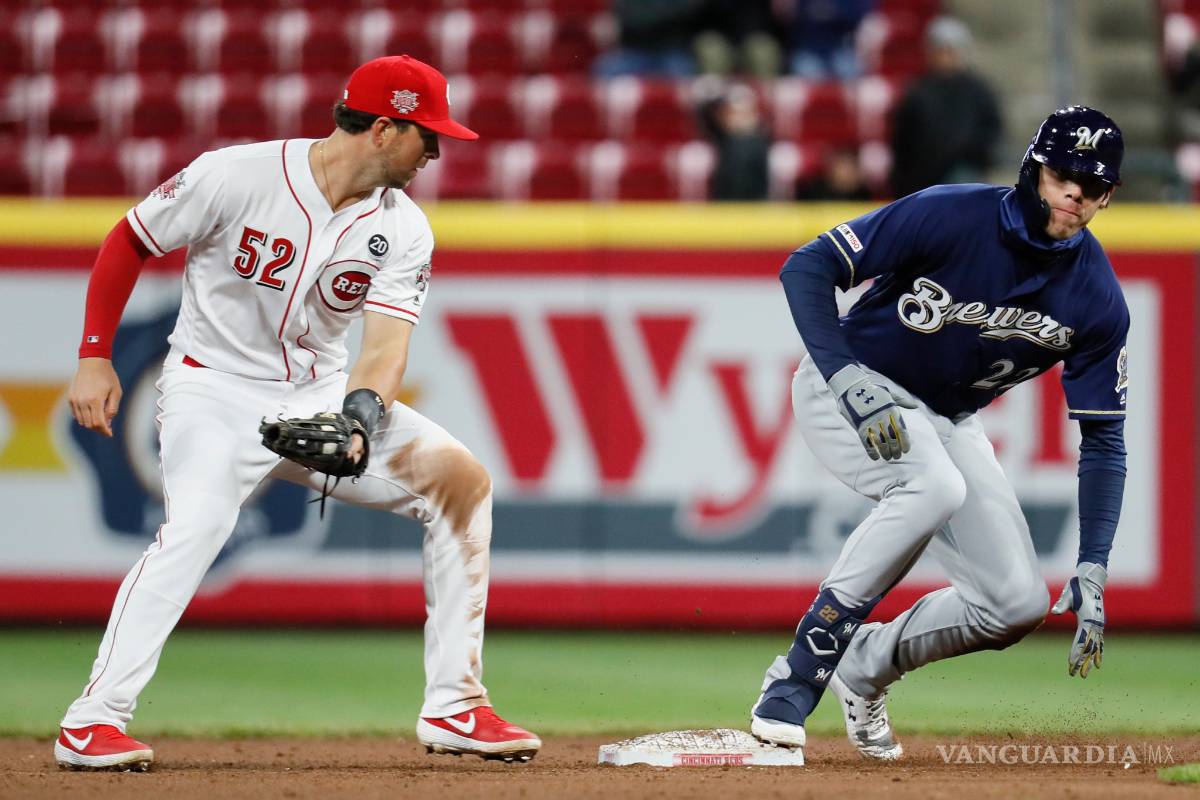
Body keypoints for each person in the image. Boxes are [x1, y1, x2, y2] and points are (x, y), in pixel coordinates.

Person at [54, 55, 541, 771]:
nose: (436, 151)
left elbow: (383, 351)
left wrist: (358, 421)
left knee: (462, 486)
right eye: (425, 135)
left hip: (318, 402)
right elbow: (130, 239)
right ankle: (92, 720)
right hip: (212, 391)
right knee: (198, 526)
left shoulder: (403, 229)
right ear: (382, 129)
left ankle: (455, 705)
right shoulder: (237, 175)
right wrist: (94, 354)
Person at [752, 106, 1128, 763]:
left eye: (1092, 186)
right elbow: (807, 266)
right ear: (1035, 169)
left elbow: (1103, 439)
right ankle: (796, 675)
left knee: (1014, 603)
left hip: (946, 418)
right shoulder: (951, 213)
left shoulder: (1097, 297)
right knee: (931, 486)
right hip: (846, 383)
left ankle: (864, 666)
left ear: (1107, 195)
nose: (1075, 193)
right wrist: (843, 375)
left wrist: (1094, 560)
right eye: (1064, 174)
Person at [889, 17, 1003, 198]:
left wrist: (973, 154)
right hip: (923, 178)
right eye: (941, 51)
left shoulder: (979, 91)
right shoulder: (917, 92)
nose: (947, 57)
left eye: (952, 51)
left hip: (964, 172)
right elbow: (903, 140)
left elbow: (991, 131)